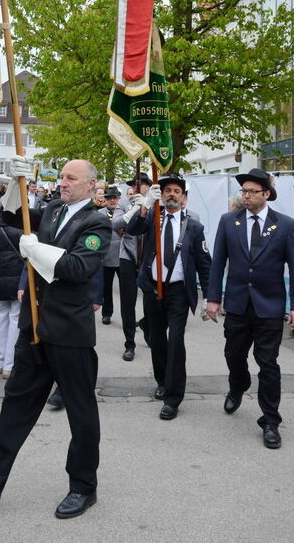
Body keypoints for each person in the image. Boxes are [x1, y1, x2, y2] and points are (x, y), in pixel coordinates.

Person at [0, 158, 111, 519]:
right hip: (35, 328)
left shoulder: (97, 222)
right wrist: (16, 181)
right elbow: (12, 218)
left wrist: (35, 250)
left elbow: (77, 268)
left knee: (81, 413)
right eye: (62, 176)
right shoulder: (52, 210)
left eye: (71, 178)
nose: (63, 182)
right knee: (16, 406)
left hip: (69, 333)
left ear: (89, 185)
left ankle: (84, 487)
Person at [206, 168, 294, 449]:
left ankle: (270, 420)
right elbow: (217, 263)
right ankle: (238, 385)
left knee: (268, 363)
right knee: (234, 355)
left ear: (266, 194)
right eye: (244, 191)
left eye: (252, 192)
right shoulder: (228, 222)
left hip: (269, 307)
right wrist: (213, 298)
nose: (246, 196)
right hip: (237, 304)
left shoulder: (285, 226)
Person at [127, 174, 211, 419]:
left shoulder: (193, 226)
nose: (171, 194)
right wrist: (144, 205)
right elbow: (131, 230)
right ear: (161, 195)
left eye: (176, 191)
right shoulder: (153, 217)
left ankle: (173, 398)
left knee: (176, 340)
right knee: (157, 339)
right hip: (153, 288)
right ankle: (162, 381)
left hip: (178, 291)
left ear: (183, 197)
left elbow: (205, 263)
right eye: (167, 191)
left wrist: (209, 297)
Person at [111, 172, 152, 358]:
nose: (136, 188)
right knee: (128, 302)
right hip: (128, 256)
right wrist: (135, 209)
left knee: (152, 301)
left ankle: (147, 326)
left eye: (140, 184)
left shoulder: (155, 202)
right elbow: (115, 224)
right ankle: (130, 344)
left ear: (148, 186)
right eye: (133, 185)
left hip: (149, 258)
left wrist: (147, 205)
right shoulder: (124, 203)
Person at [0, 203, 25, 379]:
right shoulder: (20, 231)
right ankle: (9, 365)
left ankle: (0, 363)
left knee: (0, 321)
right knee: (15, 322)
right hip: (16, 283)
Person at [99, 186, 122, 326]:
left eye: (114, 197)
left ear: (119, 198)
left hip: (122, 255)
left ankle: (128, 316)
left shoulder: (124, 211)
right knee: (106, 288)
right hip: (106, 255)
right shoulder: (100, 213)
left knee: (126, 290)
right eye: (109, 198)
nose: (112, 200)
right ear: (105, 200)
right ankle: (106, 313)